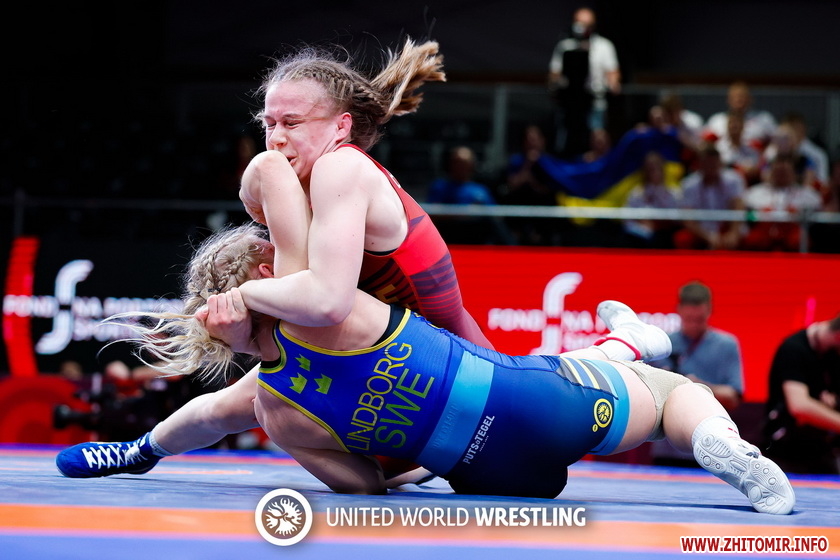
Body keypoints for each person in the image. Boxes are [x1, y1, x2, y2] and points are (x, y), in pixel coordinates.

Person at [54, 38, 659, 480]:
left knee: (534, 408)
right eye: (267, 123)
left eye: (292, 122)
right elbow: (275, 235)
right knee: (238, 402)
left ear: (341, 127)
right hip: (390, 348)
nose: (276, 137)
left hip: (446, 354)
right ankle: (141, 451)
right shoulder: (313, 182)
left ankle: (624, 349)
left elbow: (320, 297)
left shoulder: (340, 171)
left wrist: (245, 281)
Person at [61, 223, 794, 514]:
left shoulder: (273, 410)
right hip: (535, 406)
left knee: (556, 366)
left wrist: (141, 450)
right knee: (674, 396)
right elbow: (275, 201)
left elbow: (365, 484)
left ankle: (628, 342)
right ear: (264, 273)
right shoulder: (328, 310)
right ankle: (718, 441)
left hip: (492, 478)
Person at [649, 282, 744, 467]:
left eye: (699, 319)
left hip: (711, 449)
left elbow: (733, 397)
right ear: (678, 311)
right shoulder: (662, 344)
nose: (693, 325)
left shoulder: (726, 345)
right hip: (665, 448)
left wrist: (696, 387)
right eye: (688, 319)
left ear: (709, 311)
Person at [763, 313, 840, 475]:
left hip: (822, 451)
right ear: (838, 335)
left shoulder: (832, 353)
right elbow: (799, 406)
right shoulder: (793, 349)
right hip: (785, 453)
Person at [547, 6, 621, 157]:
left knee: (596, 140)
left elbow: (613, 73)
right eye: (579, 23)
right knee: (567, 140)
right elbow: (554, 73)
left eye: (586, 24)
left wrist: (612, 84)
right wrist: (558, 83)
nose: (582, 27)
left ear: (593, 25)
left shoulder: (604, 46)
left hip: (595, 101)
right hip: (569, 103)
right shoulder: (565, 46)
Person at [673, 144, 747, 250]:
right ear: (700, 164)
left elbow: (738, 208)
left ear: (720, 163)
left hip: (726, 227)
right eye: (707, 164)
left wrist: (733, 233)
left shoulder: (733, 180)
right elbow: (688, 218)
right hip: (701, 231)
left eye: (714, 164)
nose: (711, 168)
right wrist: (708, 236)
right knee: (682, 238)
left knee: (748, 239)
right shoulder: (689, 185)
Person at [742, 154, 823, 252]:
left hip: (793, 238)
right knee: (754, 239)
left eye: (785, 172)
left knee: (800, 239)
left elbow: (814, 220)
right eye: (778, 171)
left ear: (794, 173)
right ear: (771, 171)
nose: (781, 176)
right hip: (764, 236)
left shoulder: (809, 195)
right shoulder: (753, 193)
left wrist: (797, 215)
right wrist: (760, 215)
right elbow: (749, 217)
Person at [622, 150, 681, 248]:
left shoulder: (673, 193)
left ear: (663, 168)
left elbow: (678, 219)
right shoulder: (636, 193)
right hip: (642, 238)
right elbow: (627, 221)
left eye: (657, 166)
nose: (654, 170)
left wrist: (659, 223)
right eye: (650, 167)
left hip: (666, 236)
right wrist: (642, 227)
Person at [704, 81, 777, 151]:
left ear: (750, 99)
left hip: (753, 158)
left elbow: (775, 143)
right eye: (735, 97)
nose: (738, 100)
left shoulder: (764, 119)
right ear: (728, 99)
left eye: (742, 96)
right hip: (723, 158)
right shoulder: (716, 120)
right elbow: (706, 144)